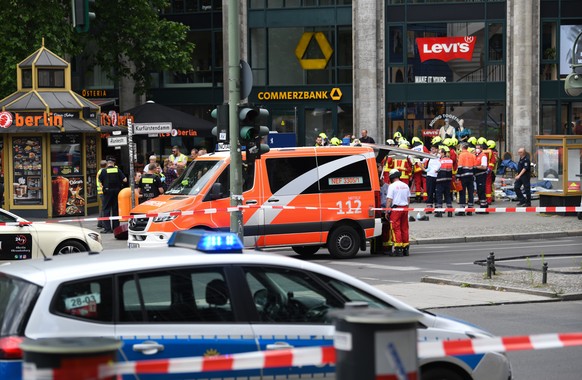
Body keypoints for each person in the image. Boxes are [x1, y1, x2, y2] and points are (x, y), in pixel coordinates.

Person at [385, 168, 411, 257]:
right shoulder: (405, 185)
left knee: (396, 228)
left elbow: (389, 200)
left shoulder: (392, 186)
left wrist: (387, 211)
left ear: (391, 177)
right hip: (405, 209)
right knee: (404, 228)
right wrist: (406, 208)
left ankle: (398, 248)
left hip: (396, 209)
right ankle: (406, 247)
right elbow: (408, 199)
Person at [98, 157, 127, 233]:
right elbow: (125, 179)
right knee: (115, 209)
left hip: (107, 191)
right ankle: (116, 227)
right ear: (114, 163)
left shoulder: (104, 171)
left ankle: (107, 228)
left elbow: (100, 180)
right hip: (116, 191)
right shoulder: (117, 170)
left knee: (106, 209)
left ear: (107, 163)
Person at [455, 143, 476, 216]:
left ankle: (462, 210)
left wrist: (457, 176)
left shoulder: (461, 155)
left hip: (463, 176)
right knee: (470, 193)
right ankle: (470, 209)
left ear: (462, 147)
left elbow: (460, 167)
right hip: (470, 176)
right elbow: (474, 167)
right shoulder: (472, 155)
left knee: (462, 192)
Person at [434, 147, 454, 218]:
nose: (439, 154)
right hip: (448, 180)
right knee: (447, 196)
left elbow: (436, 170)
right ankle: (450, 211)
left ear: (443, 153)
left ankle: (439, 212)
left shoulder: (440, 161)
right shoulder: (450, 160)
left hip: (440, 180)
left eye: (440, 153)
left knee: (439, 196)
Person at [424, 144, 441, 212]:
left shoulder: (439, 156)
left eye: (433, 149)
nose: (432, 150)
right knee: (430, 191)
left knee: (437, 192)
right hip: (430, 175)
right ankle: (429, 206)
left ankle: (437, 206)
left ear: (437, 149)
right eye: (431, 149)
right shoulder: (429, 156)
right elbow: (424, 161)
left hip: (437, 176)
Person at [474, 143, 489, 212]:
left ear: (481, 149)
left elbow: (484, 167)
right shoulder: (477, 156)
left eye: (478, 148)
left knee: (481, 190)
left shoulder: (483, 156)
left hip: (481, 174)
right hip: (477, 175)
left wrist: (475, 167)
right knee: (479, 190)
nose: (477, 149)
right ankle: (483, 205)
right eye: (476, 148)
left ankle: (483, 207)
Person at [96, 160, 107, 229]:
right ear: (106, 165)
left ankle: (100, 223)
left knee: (103, 207)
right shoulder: (103, 172)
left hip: (100, 191)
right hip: (103, 192)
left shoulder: (99, 171)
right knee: (104, 208)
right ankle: (103, 223)